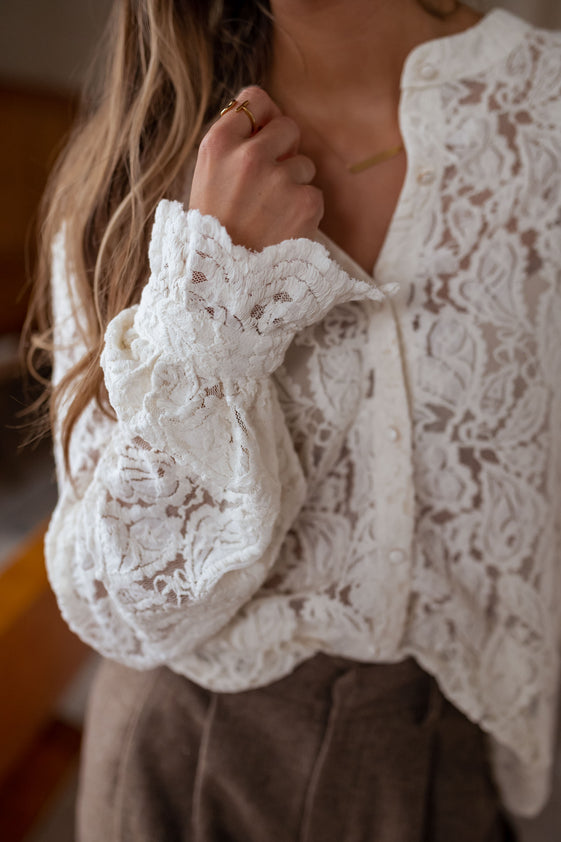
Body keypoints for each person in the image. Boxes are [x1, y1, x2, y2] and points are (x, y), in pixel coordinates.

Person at [25, 0, 561, 839]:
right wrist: (215, 294)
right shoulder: (136, 168)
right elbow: (123, 608)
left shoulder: (544, 113)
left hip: (445, 775)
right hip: (186, 772)